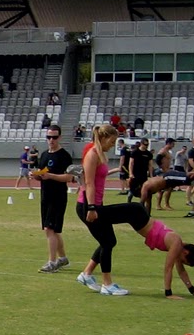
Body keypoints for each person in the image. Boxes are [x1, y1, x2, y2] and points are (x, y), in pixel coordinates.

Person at [73, 124, 147, 296]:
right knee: (109, 240)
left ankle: (86, 274)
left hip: (96, 205)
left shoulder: (99, 154)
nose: (113, 145)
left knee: (109, 241)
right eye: (111, 141)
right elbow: (89, 183)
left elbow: (98, 177)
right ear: (103, 138)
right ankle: (107, 284)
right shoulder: (92, 154)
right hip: (88, 206)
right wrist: (92, 208)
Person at [32, 124, 73, 272]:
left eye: (54, 137)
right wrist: (37, 176)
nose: (51, 140)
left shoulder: (64, 156)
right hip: (46, 195)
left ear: (59, 137)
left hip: (58, 196)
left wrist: (50, 176)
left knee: (49, 229)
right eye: (49, 137)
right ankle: (62, 258)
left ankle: (52, 262)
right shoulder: (44, 155)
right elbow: (42, 172)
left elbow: (69, 177)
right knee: (53, 230)